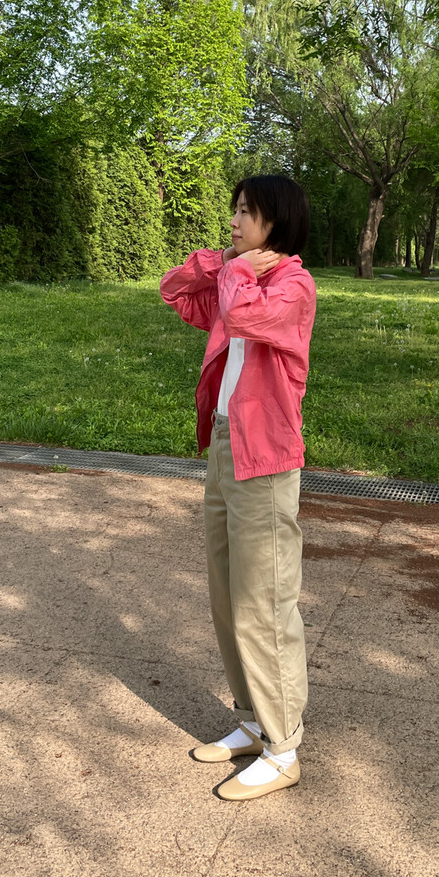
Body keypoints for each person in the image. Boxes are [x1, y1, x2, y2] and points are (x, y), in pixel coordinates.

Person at [159, 173, 316, 801]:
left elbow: (246, 315)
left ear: (275, 221)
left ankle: (283, 748)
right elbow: (174, 289)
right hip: (226, 444)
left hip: (266, 459)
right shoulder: (239, 276)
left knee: (264, 602)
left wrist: (239, 272)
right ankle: (253, 720)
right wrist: (225, 260)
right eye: (234, 210)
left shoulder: (294, 286)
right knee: (227, 596)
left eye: (246, 212)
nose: (233, 219)